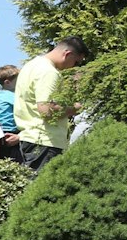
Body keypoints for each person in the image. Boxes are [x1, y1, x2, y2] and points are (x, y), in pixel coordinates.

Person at [14, 37, 87, 170]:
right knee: (41, 188)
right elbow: (46, 110)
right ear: (67, 54)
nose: (74, 66)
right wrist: (75, 108)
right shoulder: (48, 72)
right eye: (76, 62)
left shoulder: (32, 65)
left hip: (32, 138)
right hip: (45, 142)